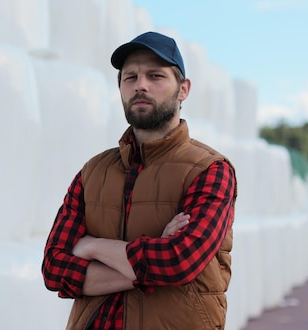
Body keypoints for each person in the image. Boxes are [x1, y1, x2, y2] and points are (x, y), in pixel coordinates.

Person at [41, 31, 237, 330]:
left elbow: (178, 262)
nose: (140, 85)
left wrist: (92, 247)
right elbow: (54, 269)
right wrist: (153, 256)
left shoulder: (210, 169)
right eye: (130, 77)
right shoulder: (92, 172)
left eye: (155, 76)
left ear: (183, 89)